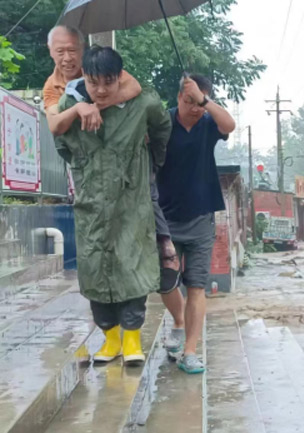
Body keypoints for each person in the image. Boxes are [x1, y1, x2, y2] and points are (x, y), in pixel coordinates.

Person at [55, 46, 172, 365]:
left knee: (133, 266)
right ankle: (111, 340)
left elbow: (162, 128)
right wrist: (82, 166)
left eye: (109, 81)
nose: (101, 90)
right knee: (95, 270)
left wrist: (151, 163)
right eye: (94, 83)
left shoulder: (142, 103)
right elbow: (60, 141)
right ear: (85, 79)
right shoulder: (71, 104)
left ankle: (132, 340)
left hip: (131, 202)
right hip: (91, 205)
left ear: (120, 77)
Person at [43, 25, 181, 294]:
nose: (67, 57)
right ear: (50, 52)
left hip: (129, 159)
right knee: (100, 242)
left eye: (73, 50)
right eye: (60, 51)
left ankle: (164, 245)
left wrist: (99, 103)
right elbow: (56, 128)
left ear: (82, 52)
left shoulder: (105, 68)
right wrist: (79, 108)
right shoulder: (53, 88)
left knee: (144, 202)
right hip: (93, 172)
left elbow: (135, 90)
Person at [157, 74, 235, 374]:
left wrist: (204, 102)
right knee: (164, 280)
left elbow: (229, 125)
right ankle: (178, 320)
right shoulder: (163, 124)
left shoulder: (208, 125)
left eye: (199, 103)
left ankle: (190, 350)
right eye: (188, 101)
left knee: (197, 286)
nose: (194, 108)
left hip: (202, 217)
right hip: (165, 216)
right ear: (178, 97)